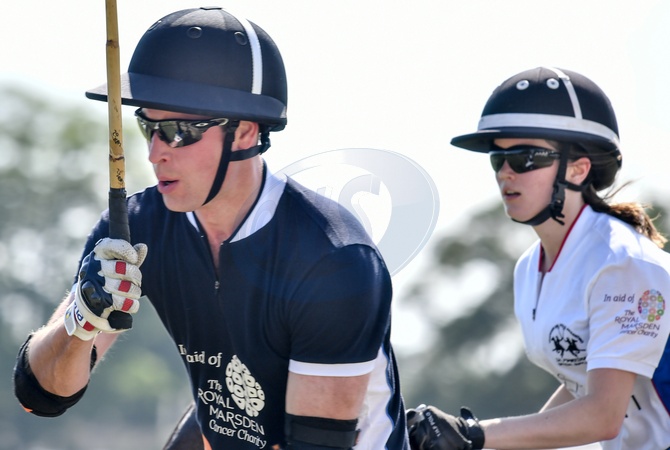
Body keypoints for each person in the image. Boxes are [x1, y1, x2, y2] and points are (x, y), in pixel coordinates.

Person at [13, 7, 409, 450]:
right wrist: (81, 321)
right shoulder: (136, 227)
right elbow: (40, 395)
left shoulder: (333, 259)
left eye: (178, 131)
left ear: (244, 133)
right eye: (148, 126)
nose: (155, 153)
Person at [406, 67, 670, 449]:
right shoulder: (530, 267)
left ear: (578, 170)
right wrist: (485, 440)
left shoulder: (623, 264)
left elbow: (603, 414)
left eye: (525, 158)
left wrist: (474, 434)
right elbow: (581, 380)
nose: (505, 173)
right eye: (498, 159)